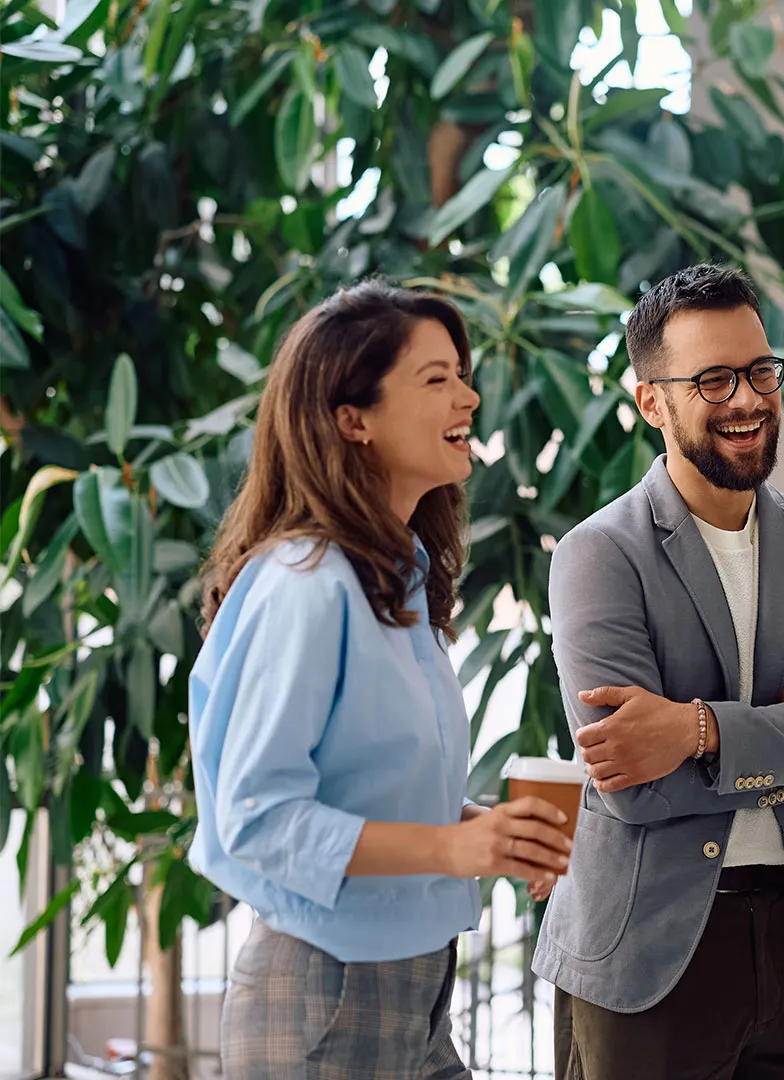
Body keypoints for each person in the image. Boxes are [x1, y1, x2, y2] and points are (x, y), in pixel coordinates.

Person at [189, 282, 573, 1078]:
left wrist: (484, 834)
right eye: (436, 379)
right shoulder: (308, 582)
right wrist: (450, 843)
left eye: (462, 373)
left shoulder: (398, 584)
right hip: (323, 990)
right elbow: (257, 816)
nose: (469, 393)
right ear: (350, 418)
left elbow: (360, 794)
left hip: (415, 985)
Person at [533, 264, 784, 1080]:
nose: (748, 399)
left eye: (760, 371)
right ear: (652, 401)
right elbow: (633, 783)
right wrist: (781, 749)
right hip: (645, 958)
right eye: (713, 379)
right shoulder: (599, 553)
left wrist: (695, 729)